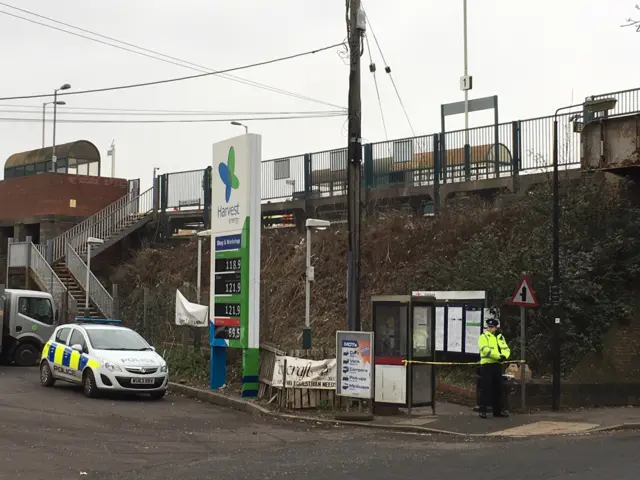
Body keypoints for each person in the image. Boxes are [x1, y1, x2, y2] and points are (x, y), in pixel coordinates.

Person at [477, 318, 511, 419]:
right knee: (485, 388)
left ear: (496, 328)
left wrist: (504, 356)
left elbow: (506, 349)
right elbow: (485, 350)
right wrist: (498, 356)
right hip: (487, 365)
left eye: (492, 327)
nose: (489, 329)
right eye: (488, 327)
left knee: (498, 388)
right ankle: (482, 410)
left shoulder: (500, 337)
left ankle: (498, 411)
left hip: (497, 365)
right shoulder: (483, 337)